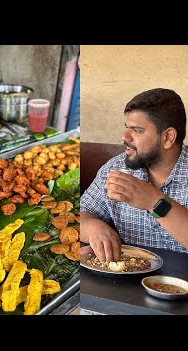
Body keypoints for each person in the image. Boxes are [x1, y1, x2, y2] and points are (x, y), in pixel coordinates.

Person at [80, 88, 188, 263]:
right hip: (124, 281)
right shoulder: (115, 168)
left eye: (137, 130)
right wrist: (93, 228)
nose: (124, 137)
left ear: (168, 137)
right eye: (126, 128)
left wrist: (154, 202)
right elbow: (83, 213)